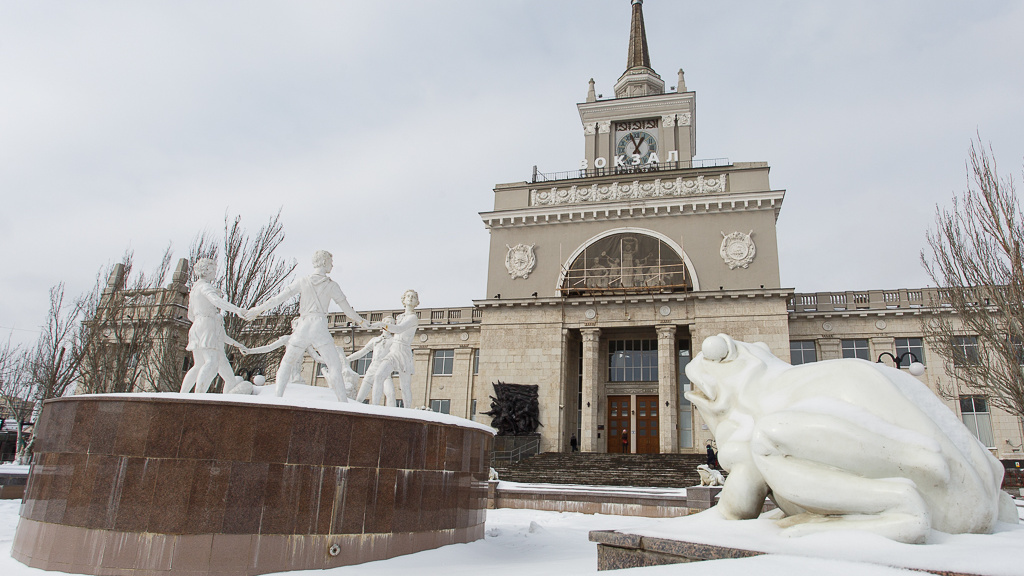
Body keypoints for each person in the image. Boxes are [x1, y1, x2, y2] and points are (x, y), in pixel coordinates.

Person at [245, 250, 369, 401]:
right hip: (319, 326)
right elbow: (348, 310)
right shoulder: (331, 285)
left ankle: (276, 398)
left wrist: (257, 310)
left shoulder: (302, 281)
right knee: (334, 366)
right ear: (324, 262)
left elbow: (278, 299)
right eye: (331, 261)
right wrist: (362, 322)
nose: (332, 265)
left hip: (302, 326)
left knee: (286, 362)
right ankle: (343, 403)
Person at [180, 258, 249, 394]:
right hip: (207, 324)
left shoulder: (194, 289)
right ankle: (198, 395)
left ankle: (183, 394)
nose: (214, 273)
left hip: (197, 325)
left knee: (198, 364)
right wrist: (237, 310)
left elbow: (190, 315)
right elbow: (216, 301)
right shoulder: (205, 286)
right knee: (211, 362)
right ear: (207, 271)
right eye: (213, 270)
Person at [362, 290, 420, 408]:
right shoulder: (399, 317)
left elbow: (399, 329)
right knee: (378, 376)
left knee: (404, 387)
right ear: (403, 300)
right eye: (408, 296)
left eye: (413, 297)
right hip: (394, 350)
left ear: (416, 302)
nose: (410, 298)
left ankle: (407, 411)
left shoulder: (413, 318)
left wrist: (380, 324)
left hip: (403, 352)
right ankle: (375, 407)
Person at [350, 322, 396, 406]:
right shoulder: (375, 340)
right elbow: (361, 352)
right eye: (388, 322)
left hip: (384, 371)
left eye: (391, 323)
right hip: (372, 369)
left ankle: (392, 417)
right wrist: (347, 359)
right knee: (360, 398)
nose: (389, 324)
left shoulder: (394, 341)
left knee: (391, 394)